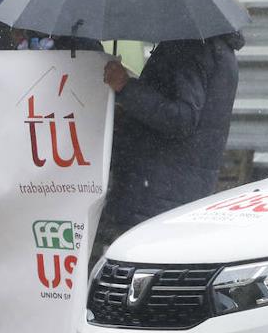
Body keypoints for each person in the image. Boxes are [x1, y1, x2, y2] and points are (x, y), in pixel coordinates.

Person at [95, 33, 244, 259]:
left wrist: (126, 87)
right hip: (176, 189)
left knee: (136, 277)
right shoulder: (218, 49)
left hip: (156, 193)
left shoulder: (190, 45)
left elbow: (182, 119)